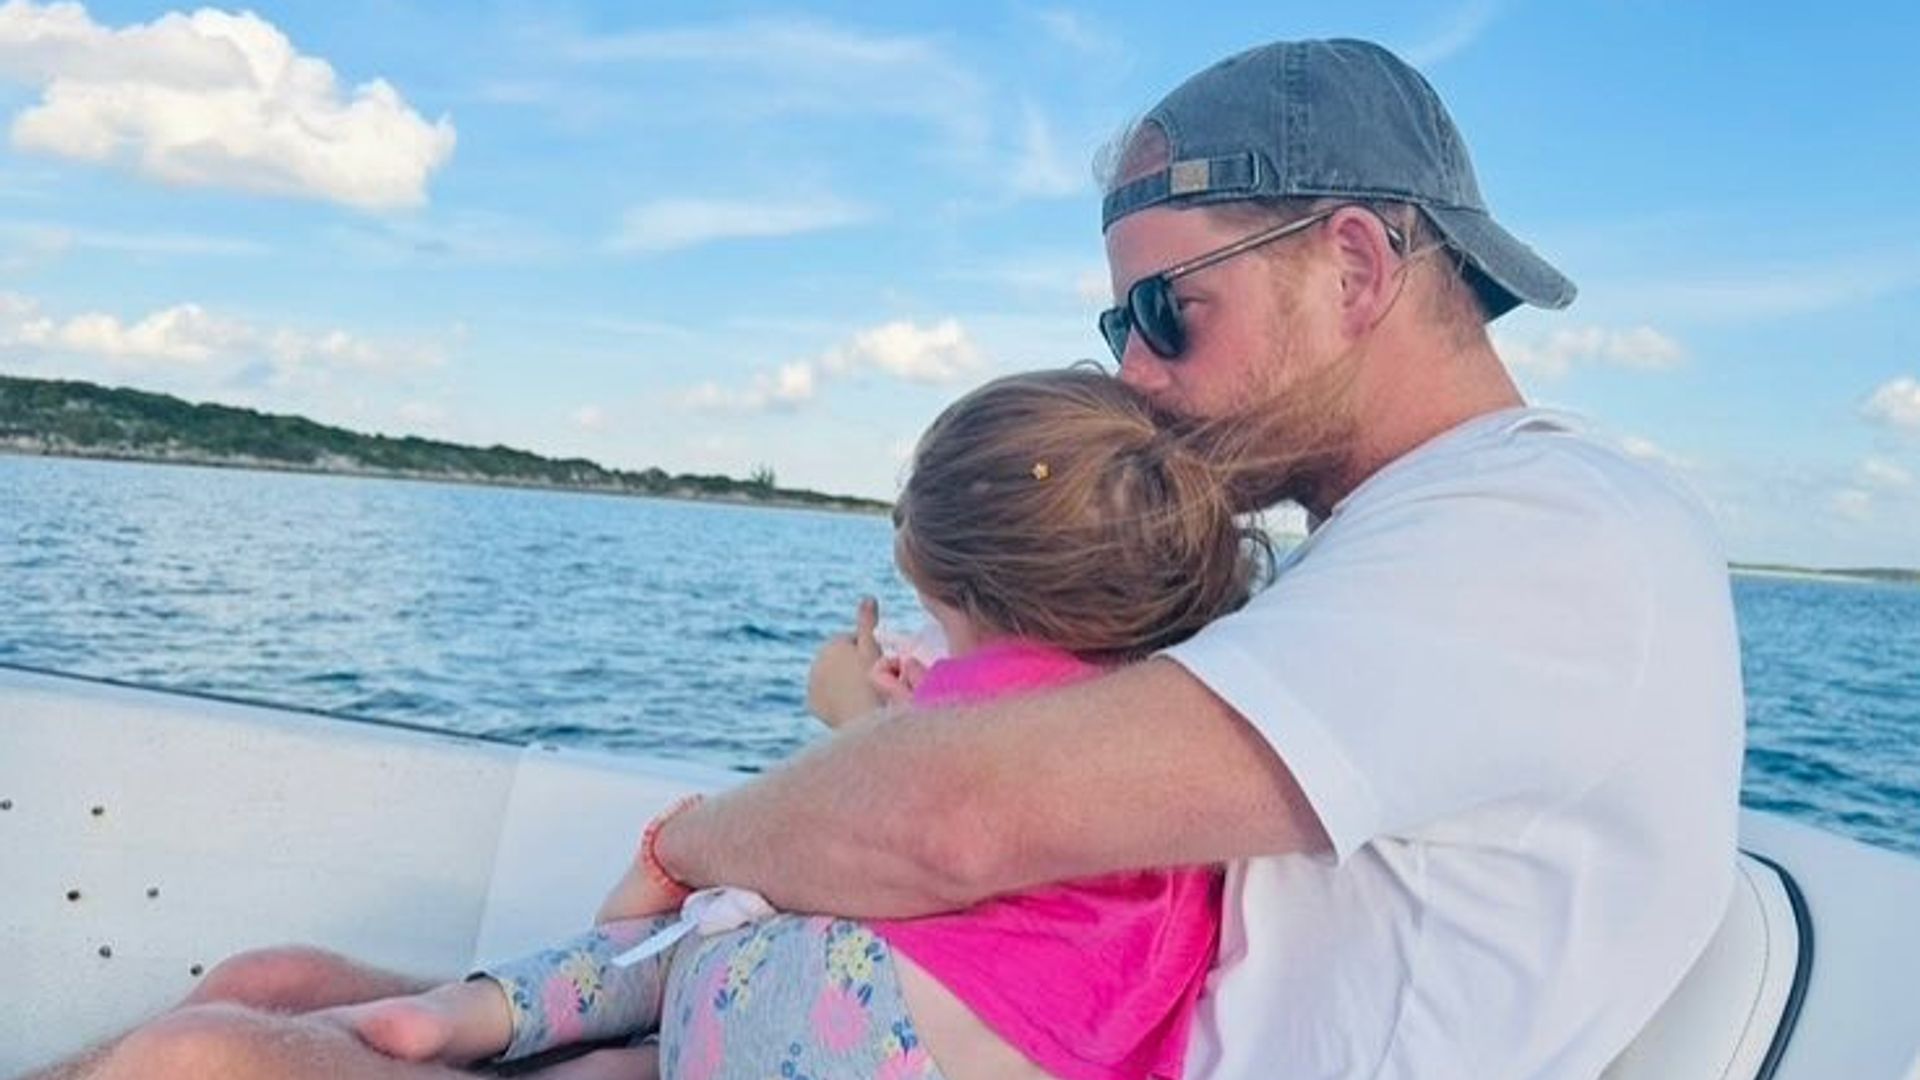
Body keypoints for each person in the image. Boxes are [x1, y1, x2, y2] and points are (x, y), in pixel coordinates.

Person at [47, 36, 1745, 1080]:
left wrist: (696, 836)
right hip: (939, 1030)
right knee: (264, 991)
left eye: (1171, 310)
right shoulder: (1391, 558)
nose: (1138, 370)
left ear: (1361, 265)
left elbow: (955, 811)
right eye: (1116, 320)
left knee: (211, 1057)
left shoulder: (1541, 539)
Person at [312, 369, 1265, 1080]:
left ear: (933, 564)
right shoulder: (1169, 725)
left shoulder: (981, 733)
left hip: (831, 1003)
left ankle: (469, 1015)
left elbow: (887, 816)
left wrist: (862, 708)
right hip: (980, 1053)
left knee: (704, 931)